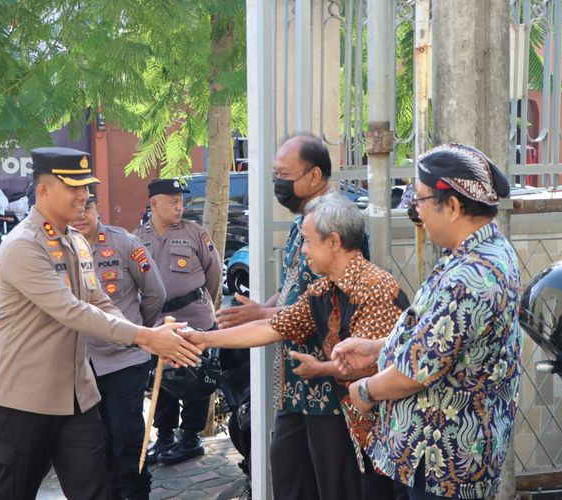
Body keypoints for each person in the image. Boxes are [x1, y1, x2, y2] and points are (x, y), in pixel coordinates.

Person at [0, 147, 202, 500]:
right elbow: (70, 310)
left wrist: (150, 340)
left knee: (96, 490)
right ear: (43, 190)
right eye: (73, 187)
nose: (83, 195)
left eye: (86, 187)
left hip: (77, 397)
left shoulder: (76, 242)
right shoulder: (22, 245)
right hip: (23, 399)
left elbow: (99, 302)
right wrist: (145, 335)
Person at [181, 194, 407, 499]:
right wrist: (203, 339)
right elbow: (273, 327)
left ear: (334, 242)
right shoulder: (323, 288)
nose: (302, 251)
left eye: (308, 242)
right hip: (356, 422)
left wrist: (320, 369)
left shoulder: (374, 287)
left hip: (386, 433)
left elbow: (368, 364)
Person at [332, 143, 522, 500]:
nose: (415, 212)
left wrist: (364, 390)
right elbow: (438, 341)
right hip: (443, 458)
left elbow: (414, 373)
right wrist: (378, 349)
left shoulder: (472, 275)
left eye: (419, 201)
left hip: (443, 462)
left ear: (451, 206)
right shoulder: (481, 253)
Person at [215, 134, 370, 499]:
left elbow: (322, 304)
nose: (277, 183)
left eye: (284, 174)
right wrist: (261, 308)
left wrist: (263, 314)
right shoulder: (305, 219)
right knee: (288, 471)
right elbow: (293, 287)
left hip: (329, 382)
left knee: (332, 483)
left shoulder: (333, 221)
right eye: (274, 173)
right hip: (297, 382)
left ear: (314, 175)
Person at [73, 187, 166, 500]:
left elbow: (155, 294)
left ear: (98, 209)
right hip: (80, 363)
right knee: (94, 440)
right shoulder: (57, 249)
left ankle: (137, 492)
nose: (81, 215)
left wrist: (137, 332)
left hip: (123, 359)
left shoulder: (124, 243)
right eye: (77, 208)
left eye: (88, 207)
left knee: (126, 436)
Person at [133, 178, 222, 465]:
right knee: (165, 379)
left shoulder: (194, 232)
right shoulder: (137, 239)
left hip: (195, 319)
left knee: (196, 380)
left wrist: (204, 305)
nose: (180, 207)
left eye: (181, 201)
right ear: (154, 204)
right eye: (173, 202)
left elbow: (214, 273)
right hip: (159, 324)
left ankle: (190, 438)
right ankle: (166, 436)